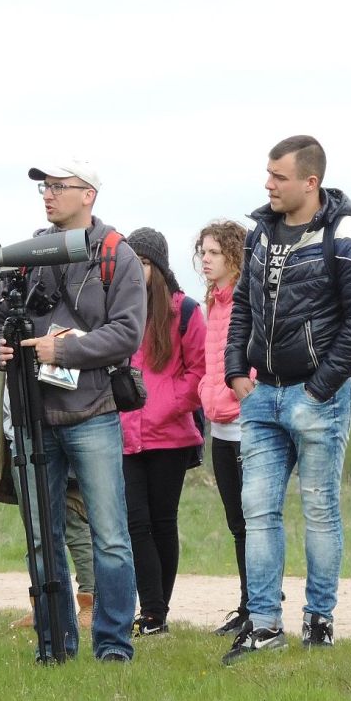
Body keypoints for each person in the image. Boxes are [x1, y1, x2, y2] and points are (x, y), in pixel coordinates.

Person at [222, 135, 351, 664]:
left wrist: (318, 389)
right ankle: (264, 625)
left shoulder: (348, 234)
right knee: (257, 511)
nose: (268, 184)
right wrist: (234, 370)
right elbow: (242, 304)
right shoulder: (259, 233)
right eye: (267, 174)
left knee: (319, 510)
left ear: (310, 182)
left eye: (279, 176)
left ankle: (319, 621)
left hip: (319, 397)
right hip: (261, 394)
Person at [0, 158, 144, 663]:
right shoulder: (26, 255)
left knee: (110, 537)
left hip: (92, 413)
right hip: (32, 414)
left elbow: (128, 332)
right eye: (44, 188)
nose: (48, 195)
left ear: (88, 193)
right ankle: (54, 644)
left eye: (58, 186)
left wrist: (65, 351)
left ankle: (113, 646)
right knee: (40, 538)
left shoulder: (117, 254)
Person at [120, 227, 207, 637]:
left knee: (162, 522)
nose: (136, 269)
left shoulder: (184, 311)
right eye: (131, 261)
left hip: (170, 436)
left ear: (157, 266)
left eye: (143, 262)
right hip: (125, 435)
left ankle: (157, 614)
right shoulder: (119, 309)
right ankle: (151, 611)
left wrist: (162, 406)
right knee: (135, 523)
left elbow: (200, 373)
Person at [196, 219, 254, 636]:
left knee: (254, 523)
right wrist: (207, 392)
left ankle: (260, 606)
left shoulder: (248, 300)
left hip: (247, 427)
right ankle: (248, 604)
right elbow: (209, 363)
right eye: (203, 252)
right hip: (219, 429)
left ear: (234, 255)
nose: (205, 259)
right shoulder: (213, 303)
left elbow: (254, 359)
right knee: (236, 524)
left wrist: (237, 396)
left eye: (214, 252)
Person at [0, 389, 95, 632]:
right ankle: (43, 608)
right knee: (36, 531)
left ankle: (91, 603)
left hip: (58, 437)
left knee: (73, 523)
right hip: (20, 442)